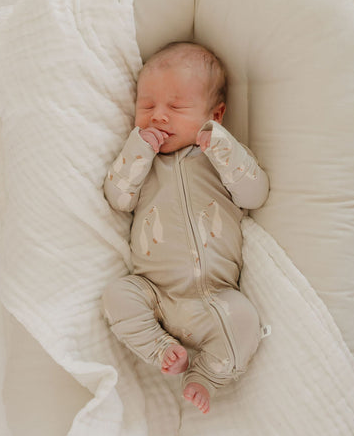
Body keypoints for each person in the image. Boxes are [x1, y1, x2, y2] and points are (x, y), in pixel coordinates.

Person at [102, 41, 269, 414]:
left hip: (216, 299)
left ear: (216, 115)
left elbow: (255, 195)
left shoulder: (218, 160)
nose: (158, 116)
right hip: (156, 295)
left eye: (176, 107)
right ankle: (161, 348)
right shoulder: (144, 166)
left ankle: (205, 376)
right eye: (147, 107)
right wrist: (137, 151)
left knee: (245, 320)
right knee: (117, 295)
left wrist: (224, 149)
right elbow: (118, 197)